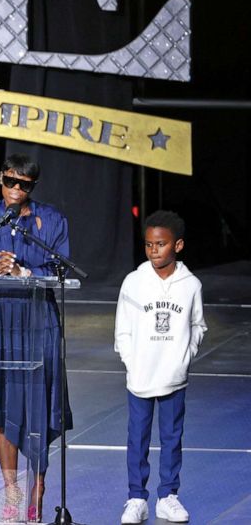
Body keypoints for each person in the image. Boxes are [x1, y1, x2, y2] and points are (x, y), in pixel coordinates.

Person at [0, 153, 72, 523]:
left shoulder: (50, 220)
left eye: (24, 185)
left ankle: (37, 487)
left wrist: (25, 270)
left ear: (32, 187)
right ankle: (11, 489)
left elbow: (59, 268)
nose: (16, 190)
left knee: (37, 401)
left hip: (35, 319)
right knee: (1, 404)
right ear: (1, 180)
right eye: (10, 182)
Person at [116, 210, 206, 524]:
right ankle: (136, 498)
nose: (154, 250)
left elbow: (198, 326)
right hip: (140, 376)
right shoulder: (134, 282)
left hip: (173, 377)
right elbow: (122, 329)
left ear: (177, 245)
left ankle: (168, 496)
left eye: (161, 244)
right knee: (137, 438)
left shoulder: (190, 284)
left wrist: (184, 357)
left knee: (171, 438)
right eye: (149, 244)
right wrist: (131, 360)